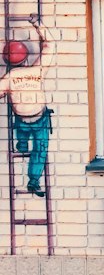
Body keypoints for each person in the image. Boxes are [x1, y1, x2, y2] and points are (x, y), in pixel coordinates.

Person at [0, 15, 54, 197]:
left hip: (21, 121)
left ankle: (22, 143)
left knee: (20, 124)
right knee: (40, 150)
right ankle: (33, 181)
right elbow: (49, 45)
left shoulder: (8, 78)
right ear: (25, 56)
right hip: (39, 118)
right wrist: (37, 24)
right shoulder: (37, 71)